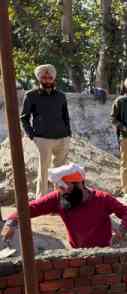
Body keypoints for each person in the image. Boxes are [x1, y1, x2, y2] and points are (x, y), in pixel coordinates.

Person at [1, 164, 127, 249]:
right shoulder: (59, 198)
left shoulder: (102, 199)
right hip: (77, 254)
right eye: (60, 188)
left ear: (79, 184)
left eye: (66, 188)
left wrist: (122, 231)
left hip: (104, 253)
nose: (62, 191)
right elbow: (31, 208)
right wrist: (11, 222)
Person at [21, 64, 72, 198]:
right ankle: (41, 200)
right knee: (44, 170)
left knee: (60, 171)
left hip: (62, 138)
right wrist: (33, 136)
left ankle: (59, 199)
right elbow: (24, 118)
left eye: (50, 77)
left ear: (53, 79)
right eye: (44, 77)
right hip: (43, 139)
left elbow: (65, 115)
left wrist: (68, 134)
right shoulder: (31, 95)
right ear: (39, 79)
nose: (47, 80)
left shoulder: (61, 95)